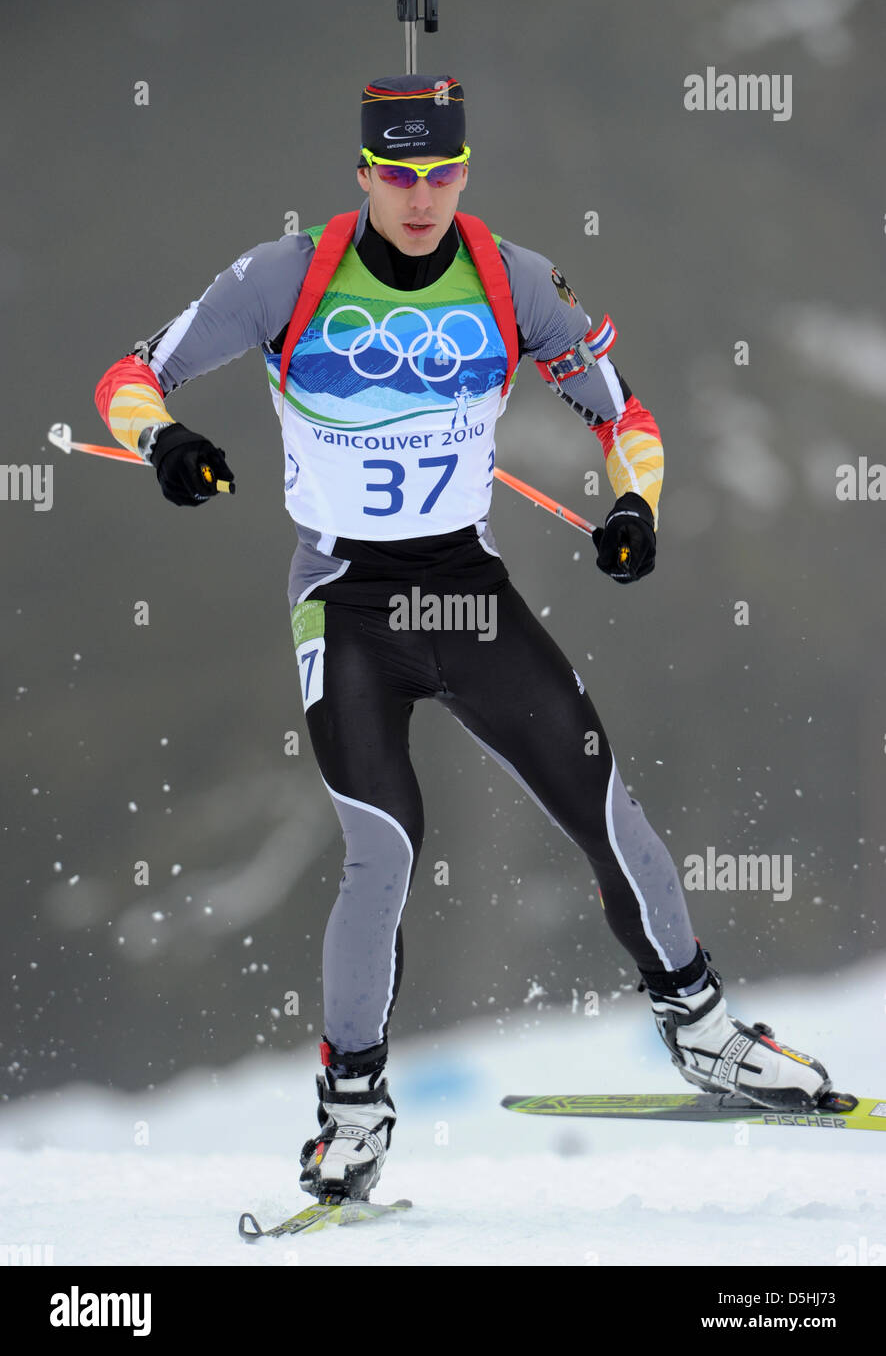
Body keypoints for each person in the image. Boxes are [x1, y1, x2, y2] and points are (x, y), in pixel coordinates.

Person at [95, 73, 833, 1205]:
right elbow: (129, 377)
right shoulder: (285, 275)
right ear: (361, 177)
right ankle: (351, 1113)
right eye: (397, 174)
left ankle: (704, 1031)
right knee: (382, 850)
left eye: (441, 172)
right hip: (342, 597)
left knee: (601, 802)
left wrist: (633, 506)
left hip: (464, 590)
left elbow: (623, 416)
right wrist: (167, 445)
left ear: (464, 172)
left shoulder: (511, 278)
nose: (421, 196)